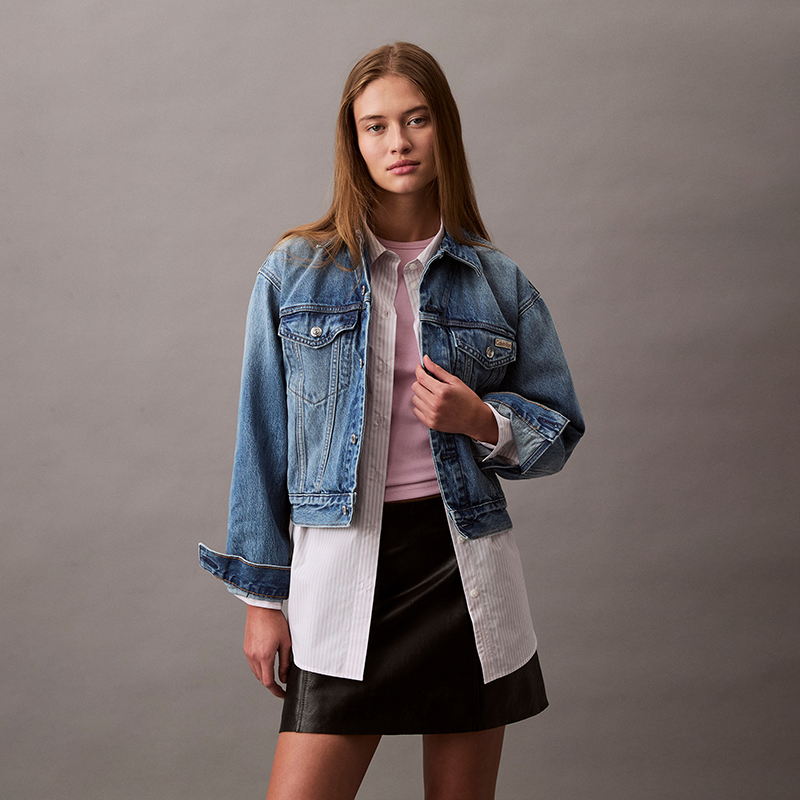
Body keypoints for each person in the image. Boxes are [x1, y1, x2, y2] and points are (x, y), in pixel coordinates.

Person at [199, 42, 584, 800]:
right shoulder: (294, 273)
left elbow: (559, 428)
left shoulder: (497, 281)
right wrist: (262, 601)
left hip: (464, 572)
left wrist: (482, 420)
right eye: (375, 126)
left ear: (445, 130)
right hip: (344, 570)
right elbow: (262, 439)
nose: (398, 142)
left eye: (416, 120)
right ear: (353, 140)